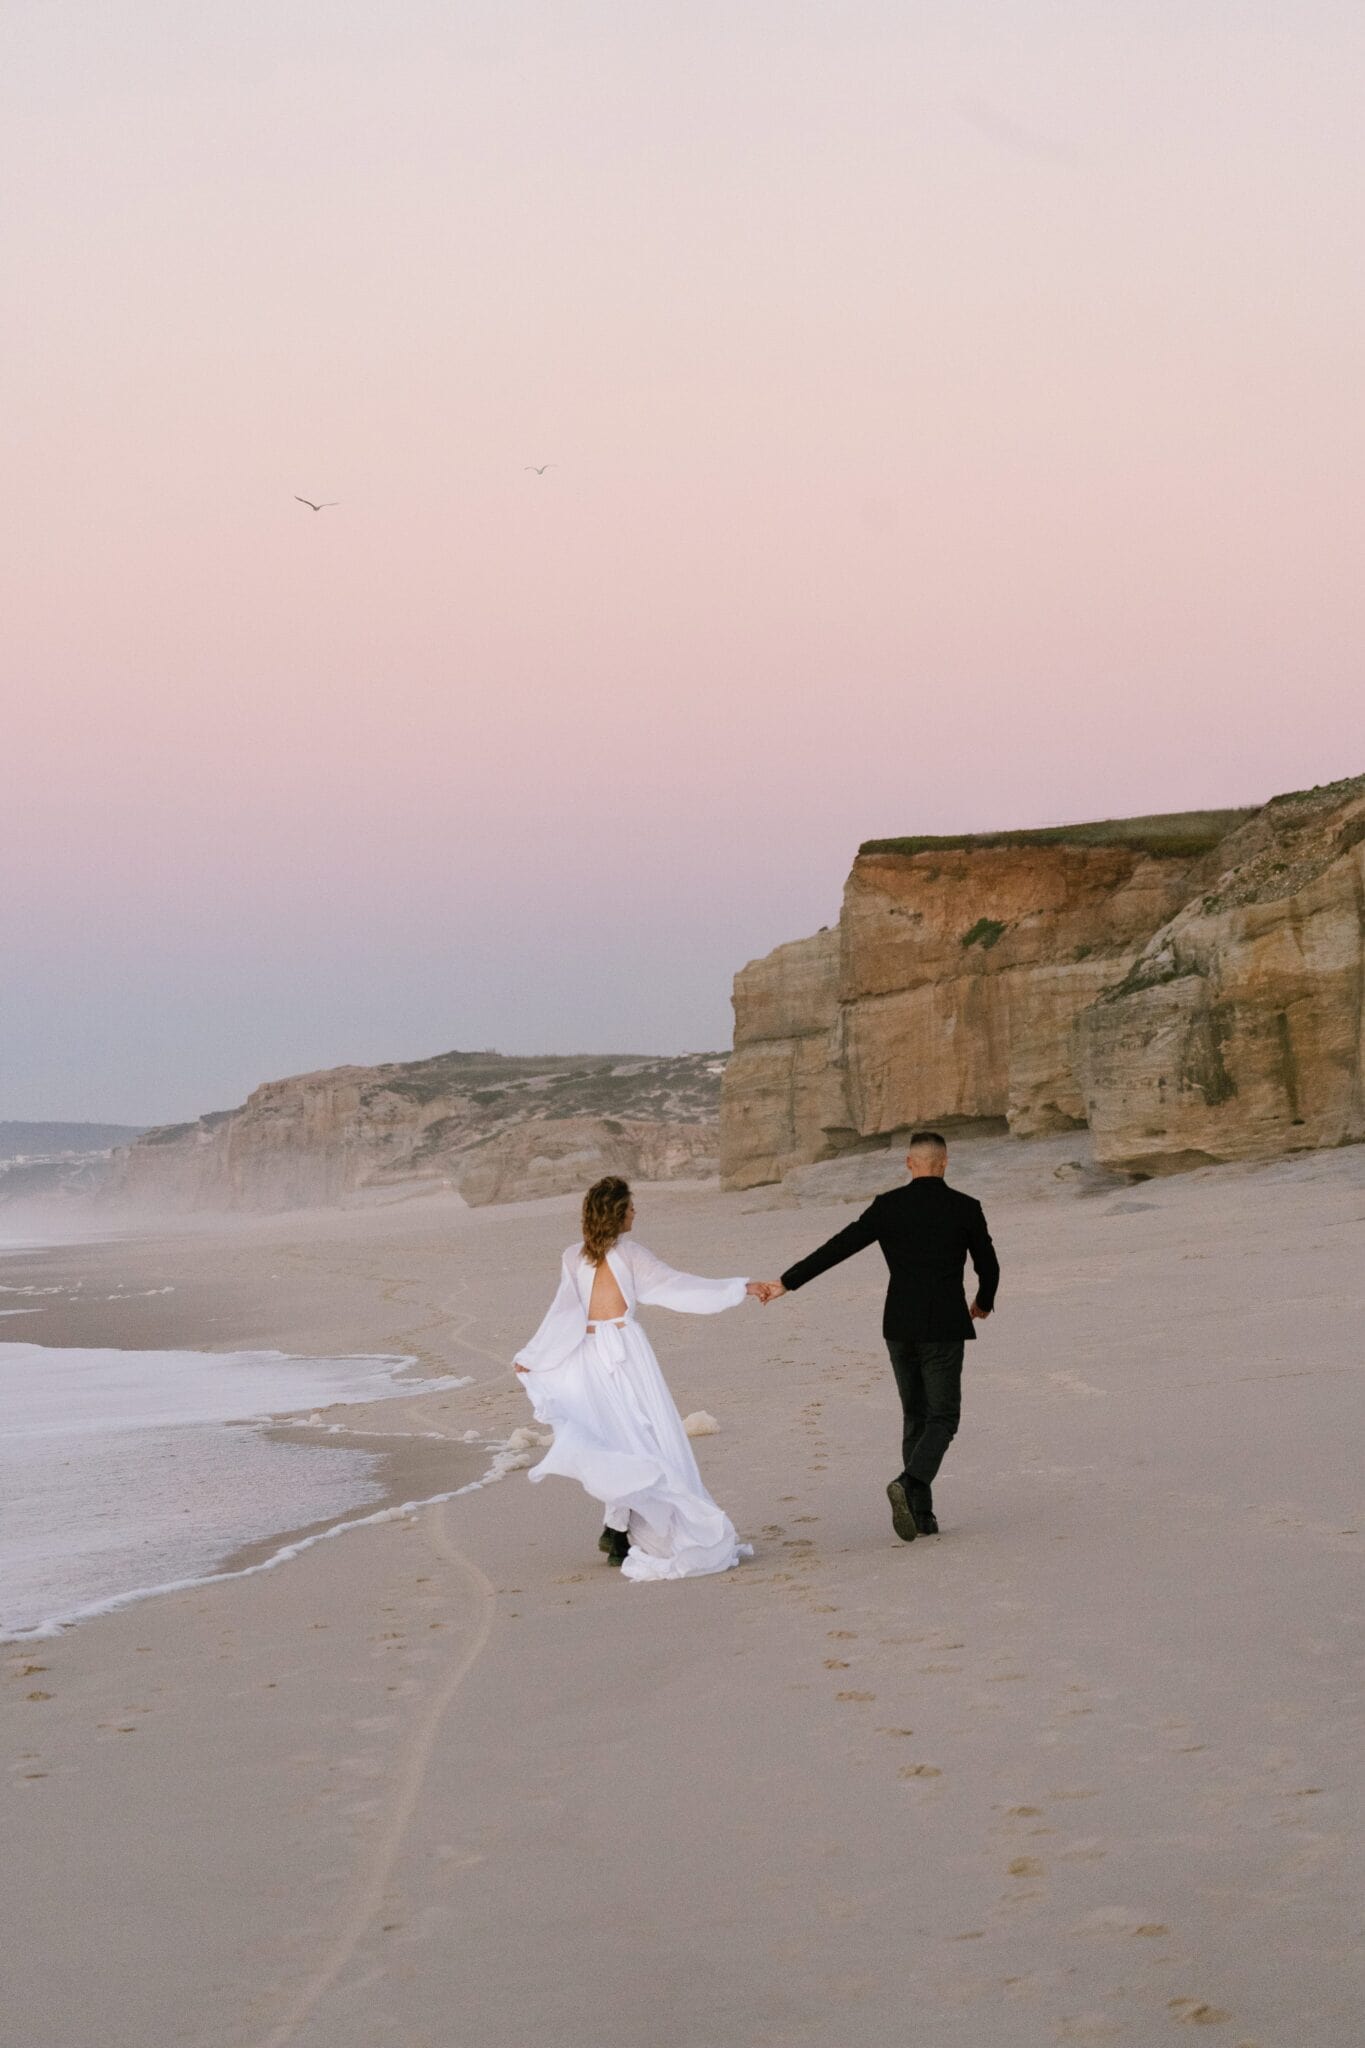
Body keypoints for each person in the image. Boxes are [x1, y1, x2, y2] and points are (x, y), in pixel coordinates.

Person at [514, 1176, 765, 1581]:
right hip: (624, 1354)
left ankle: (616, 1531)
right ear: (615, 1213)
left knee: (621, 1439)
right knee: (640, 1437)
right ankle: (620, 1530)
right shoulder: (624, 1255)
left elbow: (563, 1313)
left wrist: (536, 1355)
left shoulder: (577, 1256)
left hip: (592, 1353)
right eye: (630, 1207)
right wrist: (739, 1288)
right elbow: (675, 1287)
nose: (635, 1212)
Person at [753, 1131, 999, 1542]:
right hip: (943, 1326)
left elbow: (838, 1247)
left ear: (908, 1163)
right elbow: (988, 1265)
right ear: (944, 1162)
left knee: (915, 1416)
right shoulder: (965, 1207)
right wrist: (983, 1303)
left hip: (899, 1325)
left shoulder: (889, 1206)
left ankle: (922, 1516)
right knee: (943, 1417)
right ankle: (908, 1484)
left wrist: (786, 1283)